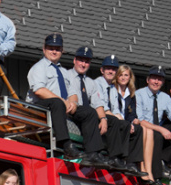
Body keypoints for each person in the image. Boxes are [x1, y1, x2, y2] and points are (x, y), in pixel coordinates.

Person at [26, 33, 110, 168]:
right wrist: (63, 101)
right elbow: (39, 90)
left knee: (89, 112)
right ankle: (67, 146)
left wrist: (74, 103)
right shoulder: (38, 67)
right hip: (39, 106)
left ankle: (93, 153)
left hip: (61, 107)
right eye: (51, 48)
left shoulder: (64, 72)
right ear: (44, 49)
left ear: (62, 51)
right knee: (56, 102)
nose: (54, 51)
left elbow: (72, 93)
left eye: (57, 49)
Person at [80, 52, 145, 176]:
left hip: (110, 115)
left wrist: (126, 121)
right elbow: (101, 106)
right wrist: (119, 118)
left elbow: (115, 109)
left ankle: (131, 163)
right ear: (102, 70)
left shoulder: (113, 89)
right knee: (116, 121)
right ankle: (115, 157)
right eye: (108, 68)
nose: (111, 71)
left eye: (113, 69)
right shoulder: (97, 83)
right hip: (98, 115)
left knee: (135, 128)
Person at [135, 66, 171, 185]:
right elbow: (140, 120)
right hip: (143, 130)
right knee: (157, 135)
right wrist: (161, 130)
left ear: (163, 82)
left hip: (156, 131)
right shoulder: (139, 94)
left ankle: (164, 159)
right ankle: (156, 177)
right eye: (154, 78)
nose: (156, 82)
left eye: (159, 79)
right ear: (148, 79)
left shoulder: (165, 97)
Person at [113, 64, 159, 185]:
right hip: (116, 123)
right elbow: (113, 110)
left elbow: (131, 114)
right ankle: (138, 166)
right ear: (117, 77)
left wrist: (134, 120)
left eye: (126, 75)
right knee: (141, 130)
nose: (123, 77)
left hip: (127, 123)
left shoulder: (131, 94)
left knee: (147, 130)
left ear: (130, 77)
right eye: (121, 75)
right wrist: (128, 123)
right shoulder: (112, 89)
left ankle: (147, 171)